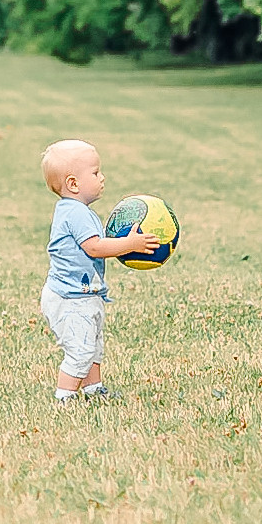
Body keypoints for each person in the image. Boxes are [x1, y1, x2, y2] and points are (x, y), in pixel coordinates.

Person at [40, 139, 158, 402]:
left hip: (83, 294)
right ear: (73, 184)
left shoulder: (76, 210)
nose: (102, 177)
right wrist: (131, 244)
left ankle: (93, 390)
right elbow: (94, 247)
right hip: (69, 299)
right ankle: (64, 397)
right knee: (80, 351)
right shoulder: (76, 213)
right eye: (95, 173)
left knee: (93, 346)